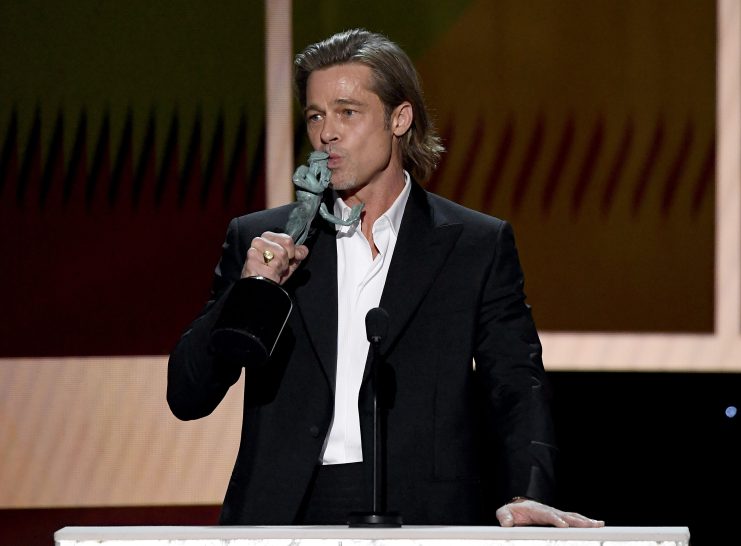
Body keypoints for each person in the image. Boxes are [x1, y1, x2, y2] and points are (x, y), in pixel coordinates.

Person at [167, 28, 603, 528]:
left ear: (400, 118)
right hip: (285, 513)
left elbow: (515, 385)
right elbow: (188, 395)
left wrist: (527, 491)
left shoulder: (474, 246)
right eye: (315, 116)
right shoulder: (265, 241)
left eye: (347, 112)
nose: (327, 133)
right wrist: (252, 292)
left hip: (424, 516)